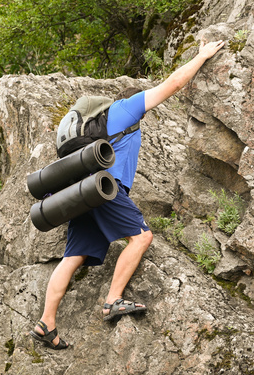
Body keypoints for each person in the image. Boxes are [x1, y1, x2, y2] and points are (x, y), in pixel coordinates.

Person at [29, 38, 227, 349]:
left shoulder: (99, 125)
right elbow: (172, 84)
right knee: (142, 237)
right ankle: (113, 300)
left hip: (80, 191)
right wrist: (202, 56)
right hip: (105, 189)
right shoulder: (124, 109)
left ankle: (46, 323)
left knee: (73, 256)